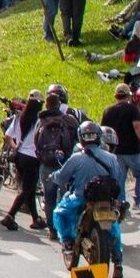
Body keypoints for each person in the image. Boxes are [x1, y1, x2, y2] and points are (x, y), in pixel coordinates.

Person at [48, 121, 125, 278]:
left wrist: (52, 176)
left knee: (59, 213)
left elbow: (61, 177)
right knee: (114, 227)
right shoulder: (112, 158)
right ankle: (118, 262)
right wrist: (118, 201)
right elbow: (119, 182)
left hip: (80, 198)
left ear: (81, 138)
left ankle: (68, 244)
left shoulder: (77, 158)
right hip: (107, 200)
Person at [34, 84, 82, 236]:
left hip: (46, 164)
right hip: (65, 164)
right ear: (60, 104)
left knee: (49, 198)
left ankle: (52, 229)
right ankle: (64, 227)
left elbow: (36, 141)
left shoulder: (40, 120)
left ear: (46, 105)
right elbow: (78, 137)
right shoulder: (69, 120)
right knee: (64, 196)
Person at [0, 91, 48, 232]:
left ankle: (36, 219)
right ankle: (10, 215)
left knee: (30, 189)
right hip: (32, 158)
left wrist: (15, 148)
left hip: (20, 156)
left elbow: (7, 137)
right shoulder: (40, 121)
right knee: (26, 189)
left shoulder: (19, 117)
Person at [101, 82, 140, 212]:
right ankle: (138, 201)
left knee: (120, 179)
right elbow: (137, 126)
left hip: (116, 151)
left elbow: (104, 131)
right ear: (128, 96)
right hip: (133, 150)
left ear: (116, 96)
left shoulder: (108, 111)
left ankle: (122, 206)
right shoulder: (132, 109)